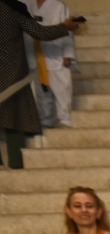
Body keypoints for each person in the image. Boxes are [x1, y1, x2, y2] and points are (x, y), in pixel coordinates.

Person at [0, 1, 80, 168]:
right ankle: (16, 165)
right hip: (11, 75)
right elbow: (39, 32)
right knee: (14, 120)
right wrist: (65, 26)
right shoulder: (12, 8)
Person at [30, 0, 76, 128]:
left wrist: (67, 54)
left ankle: (64, 119)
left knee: (61, 89)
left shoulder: (59, 6)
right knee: (42, 91)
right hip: (36, 56)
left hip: (57, 55)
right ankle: (45, 120)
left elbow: (68, 31)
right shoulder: (27, 4)